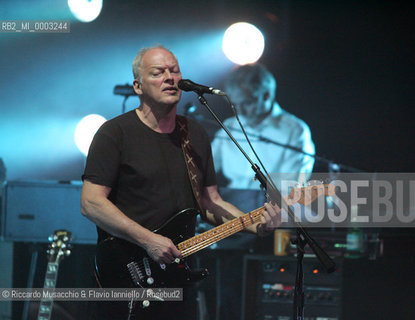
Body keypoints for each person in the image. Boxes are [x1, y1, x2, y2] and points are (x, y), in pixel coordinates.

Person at [80, 45, 281, 319]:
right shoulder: (114, 134)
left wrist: (256, 225)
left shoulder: (194, 134)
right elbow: (91, 203)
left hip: (177, 275)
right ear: (138, 86)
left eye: (174, 70)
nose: (170, 77)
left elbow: (210, 202)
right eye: (158, 72)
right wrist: (149, 240)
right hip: (126, 272)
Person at [211, 63, 316, 190]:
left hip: (274, 205)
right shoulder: (230, 126)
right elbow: (206, 168)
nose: (240, 111)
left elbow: (291, 187)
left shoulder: (295, 130)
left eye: (247, 103)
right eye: (234, 104)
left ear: (267, 95)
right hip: (233, 202)